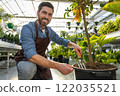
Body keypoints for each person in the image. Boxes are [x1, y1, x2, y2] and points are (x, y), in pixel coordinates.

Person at [16, 2, 82, 80]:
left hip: (42, 61)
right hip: (26, 60)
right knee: (27, 69)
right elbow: (31, 55)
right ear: (38, 13)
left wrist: (73, 45)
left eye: (49, 14)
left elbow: (61, 40)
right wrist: (58, 66)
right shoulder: (28, 29)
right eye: (44, 13)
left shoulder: (49, 31)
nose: (46, 17)